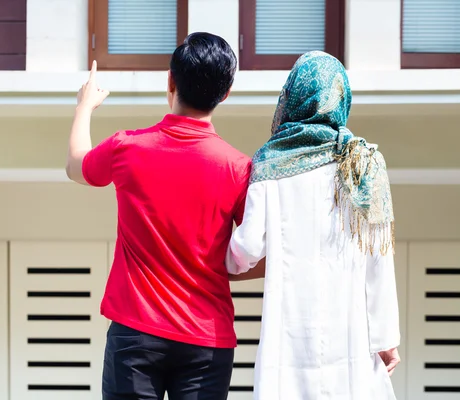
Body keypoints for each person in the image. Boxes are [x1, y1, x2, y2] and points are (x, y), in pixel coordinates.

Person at [66, 32, 251, 399]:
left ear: (170, 80)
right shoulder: (240, 169)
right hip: (206, 340)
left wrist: (84, 107)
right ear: (226, 92)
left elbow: (76, 167)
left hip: (136, 335)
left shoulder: (127, 147)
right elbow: (256, 258)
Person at [226, 51, 401, 399]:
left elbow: (245, 249)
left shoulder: (269, 163)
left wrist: (226, 262)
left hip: (288, 347)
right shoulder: (364, 163)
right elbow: (379, 259)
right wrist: (386, 339)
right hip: (352, 344)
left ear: (291, 96)